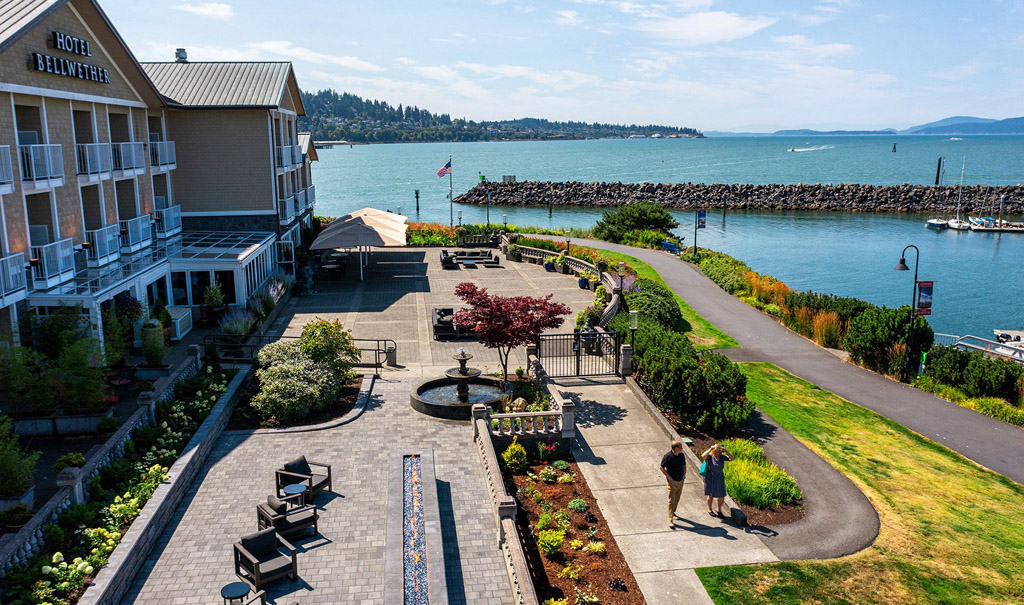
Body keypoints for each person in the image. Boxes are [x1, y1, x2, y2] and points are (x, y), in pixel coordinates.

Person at [659, 440, 686, 527]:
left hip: (680, 480)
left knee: (677, 498)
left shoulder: (681, 455)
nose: (682, 449)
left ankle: (673, 512)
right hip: (672, 481)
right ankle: (670, 520)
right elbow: (661, 467)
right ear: (675, 448)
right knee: (671, 499)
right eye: (680, 448)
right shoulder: (668, 456)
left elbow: (684, 465)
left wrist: (684, 475)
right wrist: (669, 477)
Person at [701, 443, 732, 517]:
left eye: (718, 451)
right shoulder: (710, 456)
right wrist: (710, 449)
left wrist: (726, 451)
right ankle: (709, 509)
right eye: (715, 451)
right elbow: (703, 456)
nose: (717, 453)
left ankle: (719, 509)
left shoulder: (722, 457)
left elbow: (732, 458)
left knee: (722, 494)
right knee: (710, 494)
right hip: (710, 477)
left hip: (720, 477)